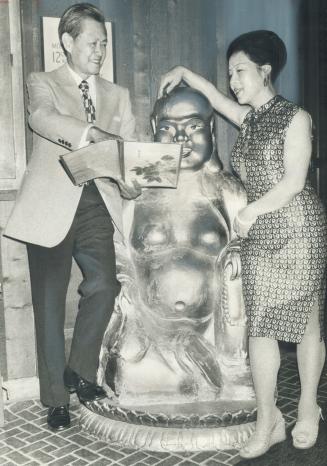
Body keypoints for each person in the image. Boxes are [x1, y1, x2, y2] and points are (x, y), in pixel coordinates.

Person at [158, 30, 327, 459]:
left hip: (297, 229)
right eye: (231, 72)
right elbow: (213, 96)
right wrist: (183, 73)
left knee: (306, 324)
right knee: (261, 329)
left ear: (264, 71)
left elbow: (294, 181)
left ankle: (308, 407)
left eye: (241, 71)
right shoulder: (249, 118)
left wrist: (250, 212)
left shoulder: (297, 118)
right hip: (259, 236)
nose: (233, 79)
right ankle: (268, 419)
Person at [4, 3, 140, 430]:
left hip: (96, 205)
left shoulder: (118, 95)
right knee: (46, 305)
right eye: (92, 42)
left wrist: (132, 180)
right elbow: (41, 118)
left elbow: (130, 152)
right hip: (49, 208)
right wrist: (90, 133)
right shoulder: (41, 82)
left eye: (104, 43)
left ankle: (78, 371)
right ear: (67, 42)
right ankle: (55, 400)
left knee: (104, 285)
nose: (100, 50)